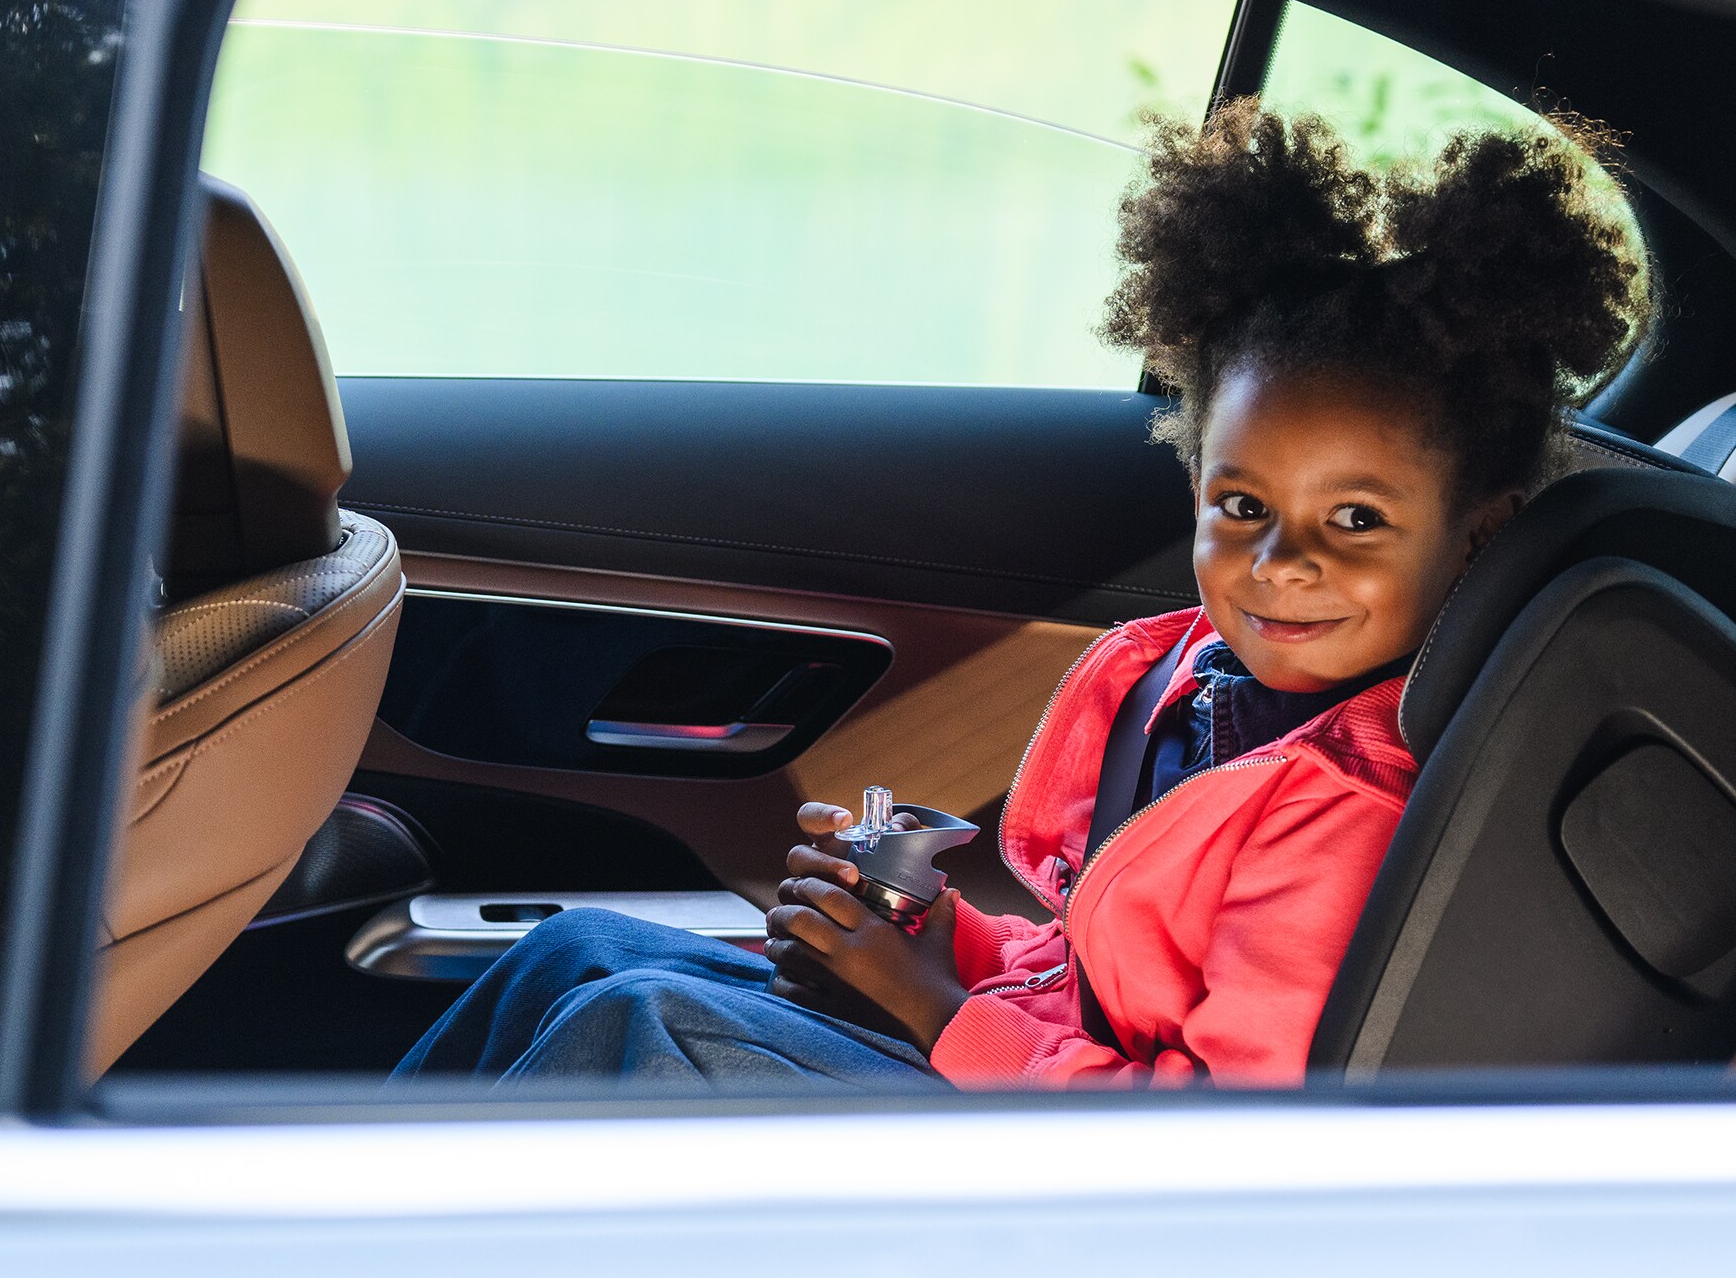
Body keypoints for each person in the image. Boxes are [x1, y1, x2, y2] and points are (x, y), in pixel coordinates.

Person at [391, 100, 1651, 1092]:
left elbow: (1229, 1144)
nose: (1280, 562)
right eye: (1240, 505)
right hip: (1028, 1067)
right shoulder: (1191, 690)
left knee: (636, 1019)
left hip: (1092, 1186)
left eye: (1356, 521)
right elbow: (1094, 976)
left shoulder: (1345, 818)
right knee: (578, 948)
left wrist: (931, 1010)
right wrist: (936, 944)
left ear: (1475, 532)